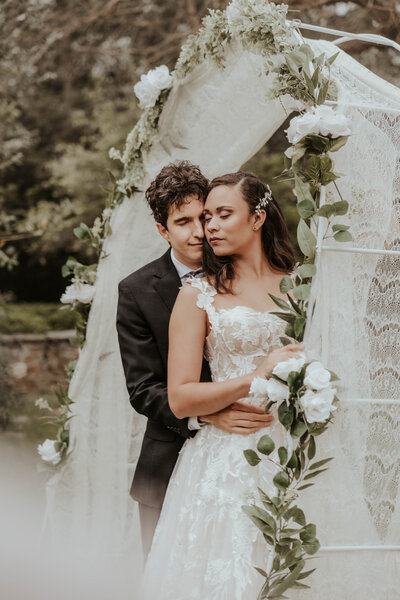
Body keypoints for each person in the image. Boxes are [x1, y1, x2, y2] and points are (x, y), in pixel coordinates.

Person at [138, 171, 304, 599]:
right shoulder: (197, 294)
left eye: (222, 214)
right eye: (205, 216)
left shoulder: (306, 285)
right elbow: (179, 396)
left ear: (258, 218)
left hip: (299, 451)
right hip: (229, 461)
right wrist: (256, 375)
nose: (208, 226)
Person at [116, 163, 274, 559]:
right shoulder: (137, 291)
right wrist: (206, 414)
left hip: (254, 453)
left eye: (203, 217)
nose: (199, 231)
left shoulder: (247, 271)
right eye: (182, 222)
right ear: (162, 230)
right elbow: (142, 388)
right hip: (169, 461)